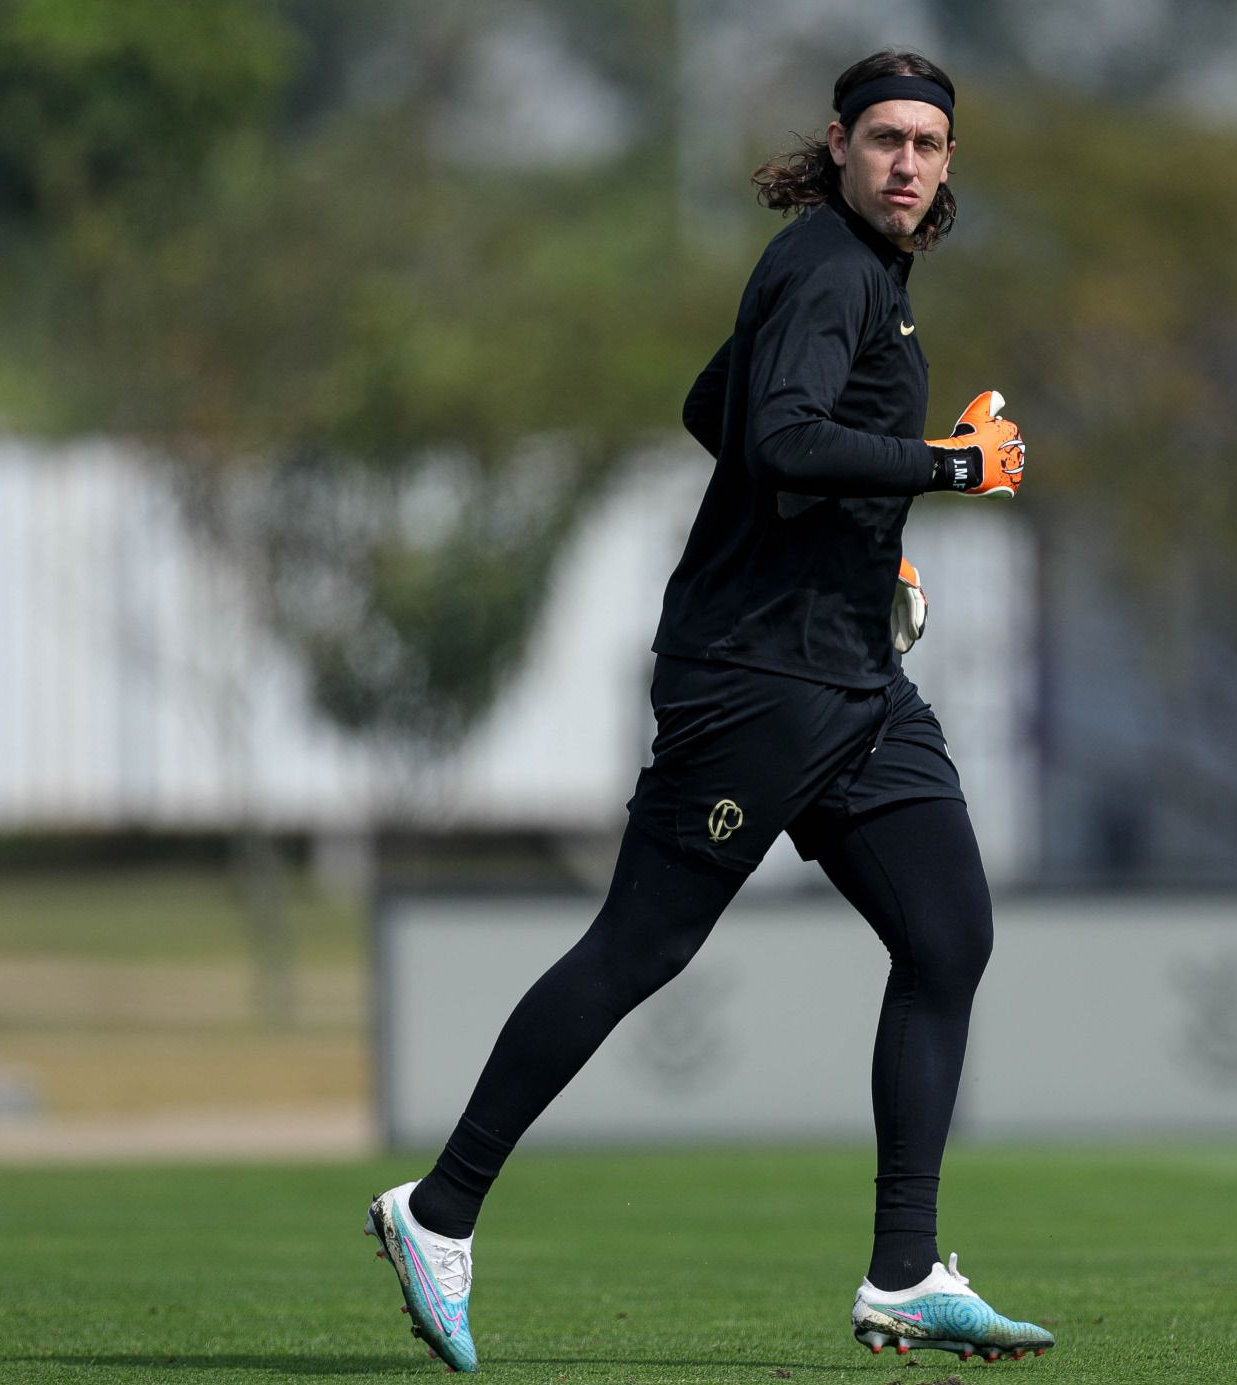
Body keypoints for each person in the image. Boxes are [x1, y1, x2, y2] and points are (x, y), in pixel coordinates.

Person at [364, 48, 1052, 1373]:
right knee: (641, 945)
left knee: (949, 930)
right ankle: (437, 1211)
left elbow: (710, 408)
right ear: (840, 144)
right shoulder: (827, 269)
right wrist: (946, 465)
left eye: (931, 144)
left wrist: (866, 541)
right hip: (752, 681)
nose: (909, 161)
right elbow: (780, 438)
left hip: (851, 677)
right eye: (886, 138)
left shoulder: (862, 283)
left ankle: (904, 1272)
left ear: (948, 164)